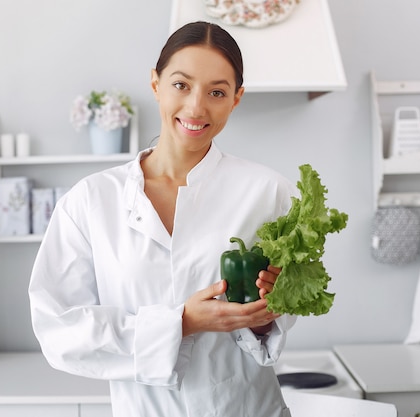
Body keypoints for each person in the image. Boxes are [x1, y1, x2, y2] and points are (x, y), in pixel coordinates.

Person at [28, 21, 297, 417]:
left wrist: (262, 317)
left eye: (217, 92)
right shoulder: (90, 200)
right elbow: (59, 331)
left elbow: (274, 325)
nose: (196, 107)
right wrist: (181, 323)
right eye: (181, 85)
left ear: (236, 98)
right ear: (155, 84)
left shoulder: (269, 192)